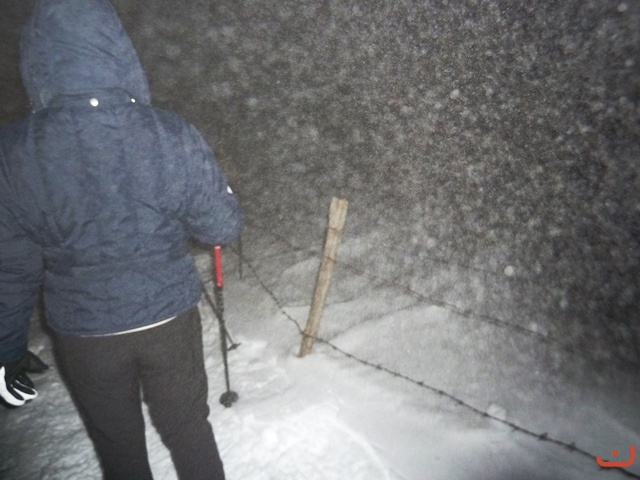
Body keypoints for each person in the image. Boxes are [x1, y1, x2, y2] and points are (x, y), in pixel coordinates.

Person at [0, 0, 242, 478]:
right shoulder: (168, 132)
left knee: (119, 448)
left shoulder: (15, 151)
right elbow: (221, 227)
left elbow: (11, 265)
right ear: (118, 50)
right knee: (189, 428)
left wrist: (6, 351)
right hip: (167, 319)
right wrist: (222, 196)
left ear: (37, 59)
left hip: (84, 332)